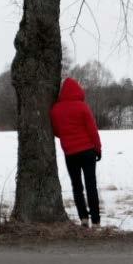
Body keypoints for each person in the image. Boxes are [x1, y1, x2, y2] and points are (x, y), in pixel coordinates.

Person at [50, 78, 102, 229]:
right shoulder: (82, 107)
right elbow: (93, 130)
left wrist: (68, 137)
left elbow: (56, 131)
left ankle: (84, 218)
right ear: (78, 91)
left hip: (70, 153)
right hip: (87, 152)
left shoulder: (55, 110)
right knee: (91, 185)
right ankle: (96, 221)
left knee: (77, 186)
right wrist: (98, 149)